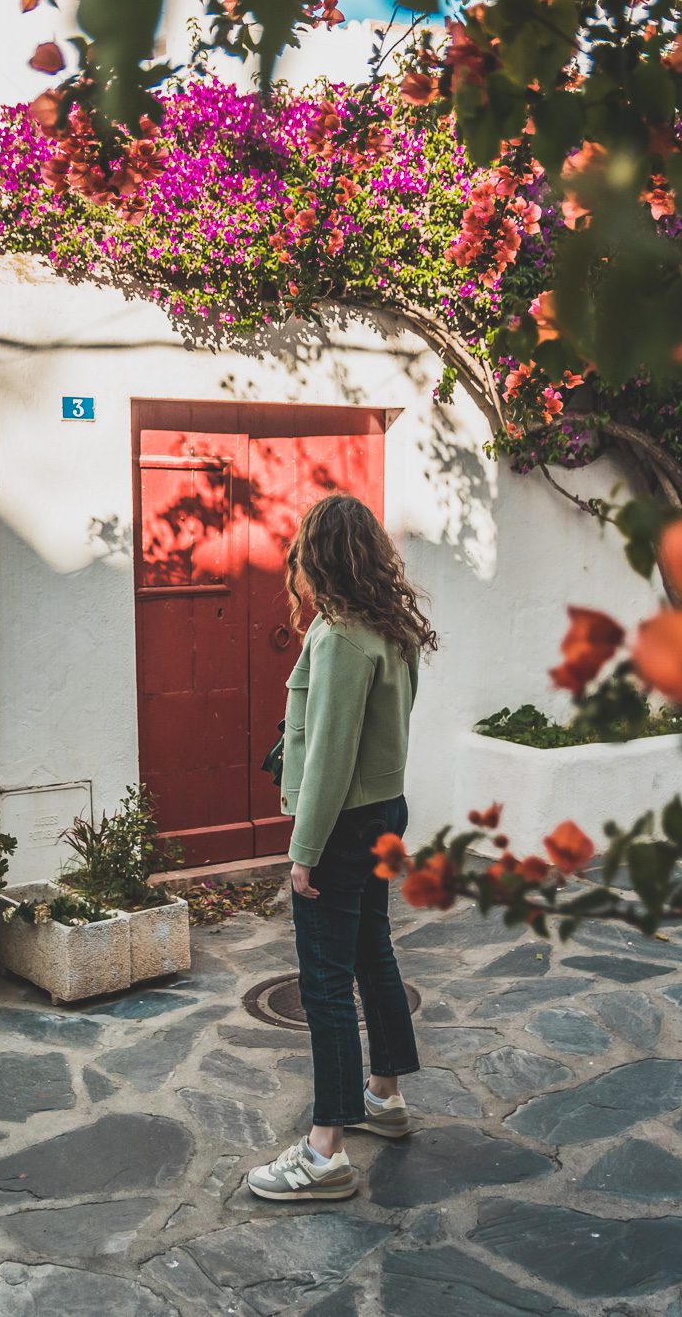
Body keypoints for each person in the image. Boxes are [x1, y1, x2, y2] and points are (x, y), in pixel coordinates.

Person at [247, 494, 438, 1202]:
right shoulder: (393, 630)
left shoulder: (339, 637)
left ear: (316, 557)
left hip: (343, 823)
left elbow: (328, 756)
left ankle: (324, 1151)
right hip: (384, 812)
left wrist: (304, 849)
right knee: (371, 951)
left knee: (324, 982)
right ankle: (383, 1097)